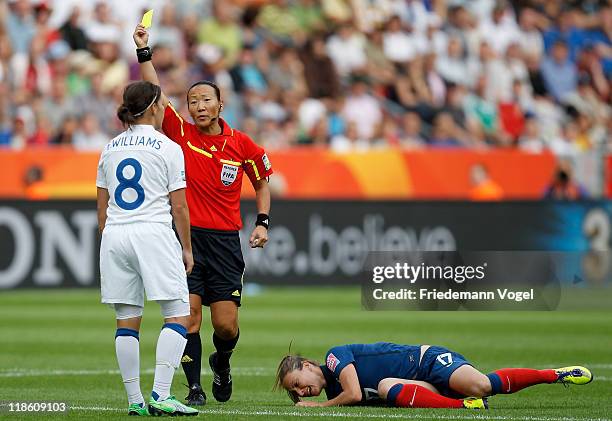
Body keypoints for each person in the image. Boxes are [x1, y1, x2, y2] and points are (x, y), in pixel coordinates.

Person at [133, 24, 273, 405]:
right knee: (190, 317)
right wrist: (144, 52)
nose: (198, 106)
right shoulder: (181, 134)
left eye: (205, 100)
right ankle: (194, 388)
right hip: (187, 239)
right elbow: (156, 98)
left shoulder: (241, 143)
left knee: (226, 326)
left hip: (226, 241)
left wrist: (262, 221)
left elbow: (261, 182)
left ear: (220, 105)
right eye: (193, 100)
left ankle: (222, 363)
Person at [96, 80, 197, 416]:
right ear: (154, 107)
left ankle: (135, 401)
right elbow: (179, 207)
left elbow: (102, 205)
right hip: (152, 232)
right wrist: (187, 248)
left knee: (127, 320)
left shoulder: (109, 147)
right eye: (163, 103)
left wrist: (110, 237)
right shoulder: (168, 147)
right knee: (179, 313)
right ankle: (162, 394)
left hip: (114, 234)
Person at [275, 342, 592, 409]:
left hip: (427, 361)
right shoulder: (334, 393)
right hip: (416, 390)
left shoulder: (334, 358)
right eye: (297, 392)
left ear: (307, 366)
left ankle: (554, 374)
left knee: (482, 384)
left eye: (298, 385)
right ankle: (464, 407)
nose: (302, 393)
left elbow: (356, 394)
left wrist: (320, 408)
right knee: (387, 387)